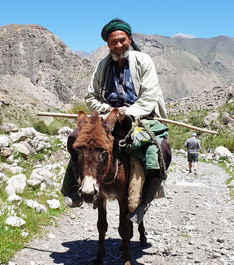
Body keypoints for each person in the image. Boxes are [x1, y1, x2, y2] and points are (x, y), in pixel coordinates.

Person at [61, 18, 171, 224]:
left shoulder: (143, 61)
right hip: (106, 117)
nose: (118, 45)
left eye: (122, 40)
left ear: (129, 39)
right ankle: (74, 189)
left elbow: (149, 96)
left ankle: (143, 201)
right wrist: (107, 111)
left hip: (140, 117)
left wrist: (127, 112)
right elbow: (90, 96)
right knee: (75, 139)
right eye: (114, 42)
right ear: (108, 45)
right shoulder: (103, 66)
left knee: (160, 150)